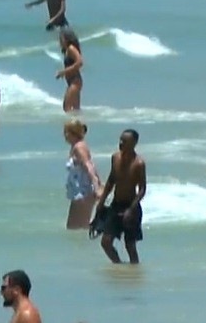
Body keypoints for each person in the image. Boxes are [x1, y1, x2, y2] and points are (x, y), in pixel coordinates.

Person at [94, 129, 147, 264]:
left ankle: (133, 273)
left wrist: (130, 210)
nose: (121, 143)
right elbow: (111, 180)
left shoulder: (139, 164)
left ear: (134, 143)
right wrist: (102, 201)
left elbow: (142, 190)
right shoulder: (115, 157)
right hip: (116, 205)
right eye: (120, 140)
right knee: (106, 242)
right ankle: (119, 267)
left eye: (124, 141)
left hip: (131, 207)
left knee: (130, 246)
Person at [63, 118, 101, 230]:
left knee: (75, 228)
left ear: (71, 133)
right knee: (78, 228)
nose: (64, 136)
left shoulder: (79, 147)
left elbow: (89, 166)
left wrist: (97, 187)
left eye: (66, 132)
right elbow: (91, 165)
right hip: (80, 192)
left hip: (83, 192)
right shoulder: (78, 146)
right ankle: (83, 247)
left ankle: (82, 247)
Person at [54, 28, 84, 112]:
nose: (59, 41)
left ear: (67, 39)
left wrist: (63, 72)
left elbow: (80, 62)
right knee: (75, 110)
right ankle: (78, 124)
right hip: (73, 82)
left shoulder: (71, 48)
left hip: (75, 81)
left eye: (61, 39)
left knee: (67, 108)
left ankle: (74, 124)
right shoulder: (67, 50)